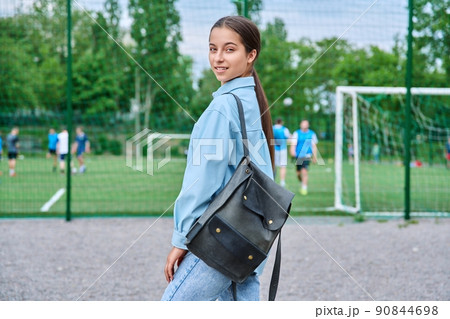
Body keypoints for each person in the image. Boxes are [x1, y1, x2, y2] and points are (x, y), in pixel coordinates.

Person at [162, 16, 274, 301]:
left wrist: (181, 238)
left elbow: (201, 181)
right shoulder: (251, 102)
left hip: (220, 237)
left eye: (229, 49)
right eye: (213, 49)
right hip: (249, 237)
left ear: (251, 55)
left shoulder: (223, 107)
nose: (218, 58)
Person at [289, 120, 318, 195]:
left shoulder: (312, 134)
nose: (304, 126)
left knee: (304, 171)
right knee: (298, 173)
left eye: (306, 124)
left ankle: (304, 188)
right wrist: (292, 151)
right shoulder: (297, 133)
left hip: (307, 155)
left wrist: (315, 156)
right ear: (300, 125)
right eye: (303, 124)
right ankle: (302, 182)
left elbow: (314, 146)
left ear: (308, 125)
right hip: (298, 155)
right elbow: (293, 144)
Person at [272, 118, 290, 187]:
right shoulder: (284, 129)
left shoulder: (272, 128)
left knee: (274, 166)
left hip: (274, 149)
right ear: (281, 122)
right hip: (283, 149)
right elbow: (288, 138)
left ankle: (272, 179)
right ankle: (282, 182)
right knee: (283, 166)